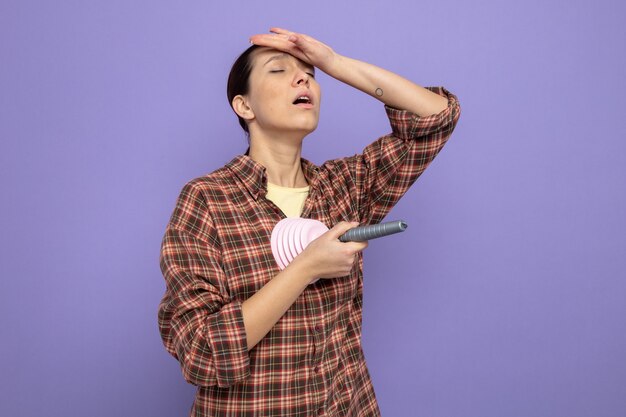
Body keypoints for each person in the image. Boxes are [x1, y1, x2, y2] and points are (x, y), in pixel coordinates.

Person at [158, 28, 461, 417]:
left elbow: (437, 116)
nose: (303, 78)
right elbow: (202, 351)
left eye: (310, 74)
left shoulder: (345, 187)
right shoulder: (207, 199)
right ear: (244, 106)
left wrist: (335, 63)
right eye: (278, 70)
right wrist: (306, 268)